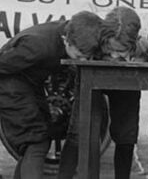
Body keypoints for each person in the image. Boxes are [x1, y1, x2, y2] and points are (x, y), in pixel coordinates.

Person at [0, 11, 107, 179]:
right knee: (35, 142)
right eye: (79, 56)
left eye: (88, 57)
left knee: (41, 138)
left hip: (31, 84)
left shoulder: (75, 30)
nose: (83, 61)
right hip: (10, 84)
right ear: (66, 40)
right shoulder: (37, 45)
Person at [58, 6, 148, 179]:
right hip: (91, 80)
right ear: (102, 39)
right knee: (80, 131)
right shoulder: (94, 41)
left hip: (126, 83)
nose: (114, 56)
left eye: (121, 51)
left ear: (134, 42)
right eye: (109, 49)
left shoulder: (143, 48)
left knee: (126, 135)